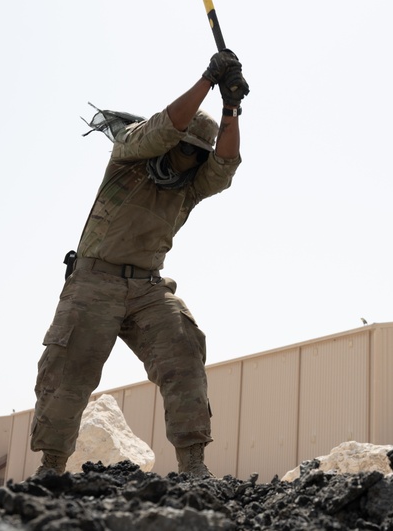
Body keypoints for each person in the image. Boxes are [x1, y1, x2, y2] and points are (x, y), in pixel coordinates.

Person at [29, 49, 249, 478]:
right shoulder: (130, 153)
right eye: (186, 150)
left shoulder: (189, 186)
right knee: (68, 371)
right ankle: (51, 468)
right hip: (95, 281)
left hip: (148, 287)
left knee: (184, 353)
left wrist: (231, 107)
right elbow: (166, 125)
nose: (191, 161)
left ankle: (193, 467)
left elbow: (225, 164)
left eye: (197, 155)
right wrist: (208, 79)